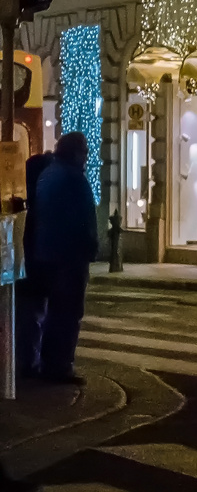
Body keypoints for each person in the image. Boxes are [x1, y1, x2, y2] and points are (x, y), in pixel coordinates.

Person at [31, 133, 99, 384]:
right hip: (69, 256)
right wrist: (91, 248)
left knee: (54, 312)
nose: (87, 157)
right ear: (76, 153)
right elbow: (83, 221)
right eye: (85, 152)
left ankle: (49, 362)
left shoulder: (49, 174)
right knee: (68, 312)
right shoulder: (73, 179)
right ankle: (59, 365)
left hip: (48, 252)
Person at [15, 151, 53, 379]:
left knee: (29, 315)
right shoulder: (38, 201)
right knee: (33, 316)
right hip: (34, 265)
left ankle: (28, 360)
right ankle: (29, 363)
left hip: (28, 265)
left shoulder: (25, 198)